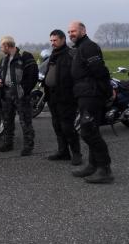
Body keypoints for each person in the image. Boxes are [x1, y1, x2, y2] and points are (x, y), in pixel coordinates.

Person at [67, 21, 114, 184]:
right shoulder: (80, 47)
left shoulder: (89, 47)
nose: (71, 34)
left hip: (92, 95)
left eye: (73, 31)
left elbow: (100, 70)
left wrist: (107, 90)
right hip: (84, 93)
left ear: (83, 30)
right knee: (92, 130)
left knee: (88, 132)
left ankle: (105, 169)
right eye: (69, 32)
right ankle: (93, 165)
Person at [0, 36, 38, 156]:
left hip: (21, 95)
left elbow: (33, 75)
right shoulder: (4, 59)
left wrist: (24, 90)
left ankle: (28, 146)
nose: (1, 49)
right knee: (7, 120)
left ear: (7, 46)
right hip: (6, 93)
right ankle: (8, 143)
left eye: (2, 47)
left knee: (25, 121)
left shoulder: (25, 56)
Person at [44, 29, 82, 165]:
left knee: (67, 127)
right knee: (57, 126)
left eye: (55, 40)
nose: (52, 43)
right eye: (51, 40)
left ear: (63, 39)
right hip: (53, 97)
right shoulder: (53, 55)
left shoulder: (71, 54)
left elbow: (78, 76)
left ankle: (76, 153)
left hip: (67, 98)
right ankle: (63, 152)